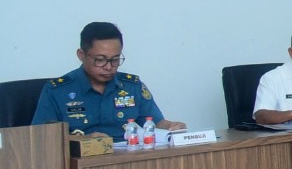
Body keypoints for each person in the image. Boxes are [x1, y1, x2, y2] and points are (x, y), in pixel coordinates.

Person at [32, 21, 186, 138]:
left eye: (115, 59)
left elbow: (156, 122)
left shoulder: (132, 87)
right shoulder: (57, 90)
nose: (108, 67)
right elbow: (41, 138)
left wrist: (171, 126)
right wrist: (81, 141)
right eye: (100, 60)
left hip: (124, 161)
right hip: (77, 164)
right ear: (81, 55)